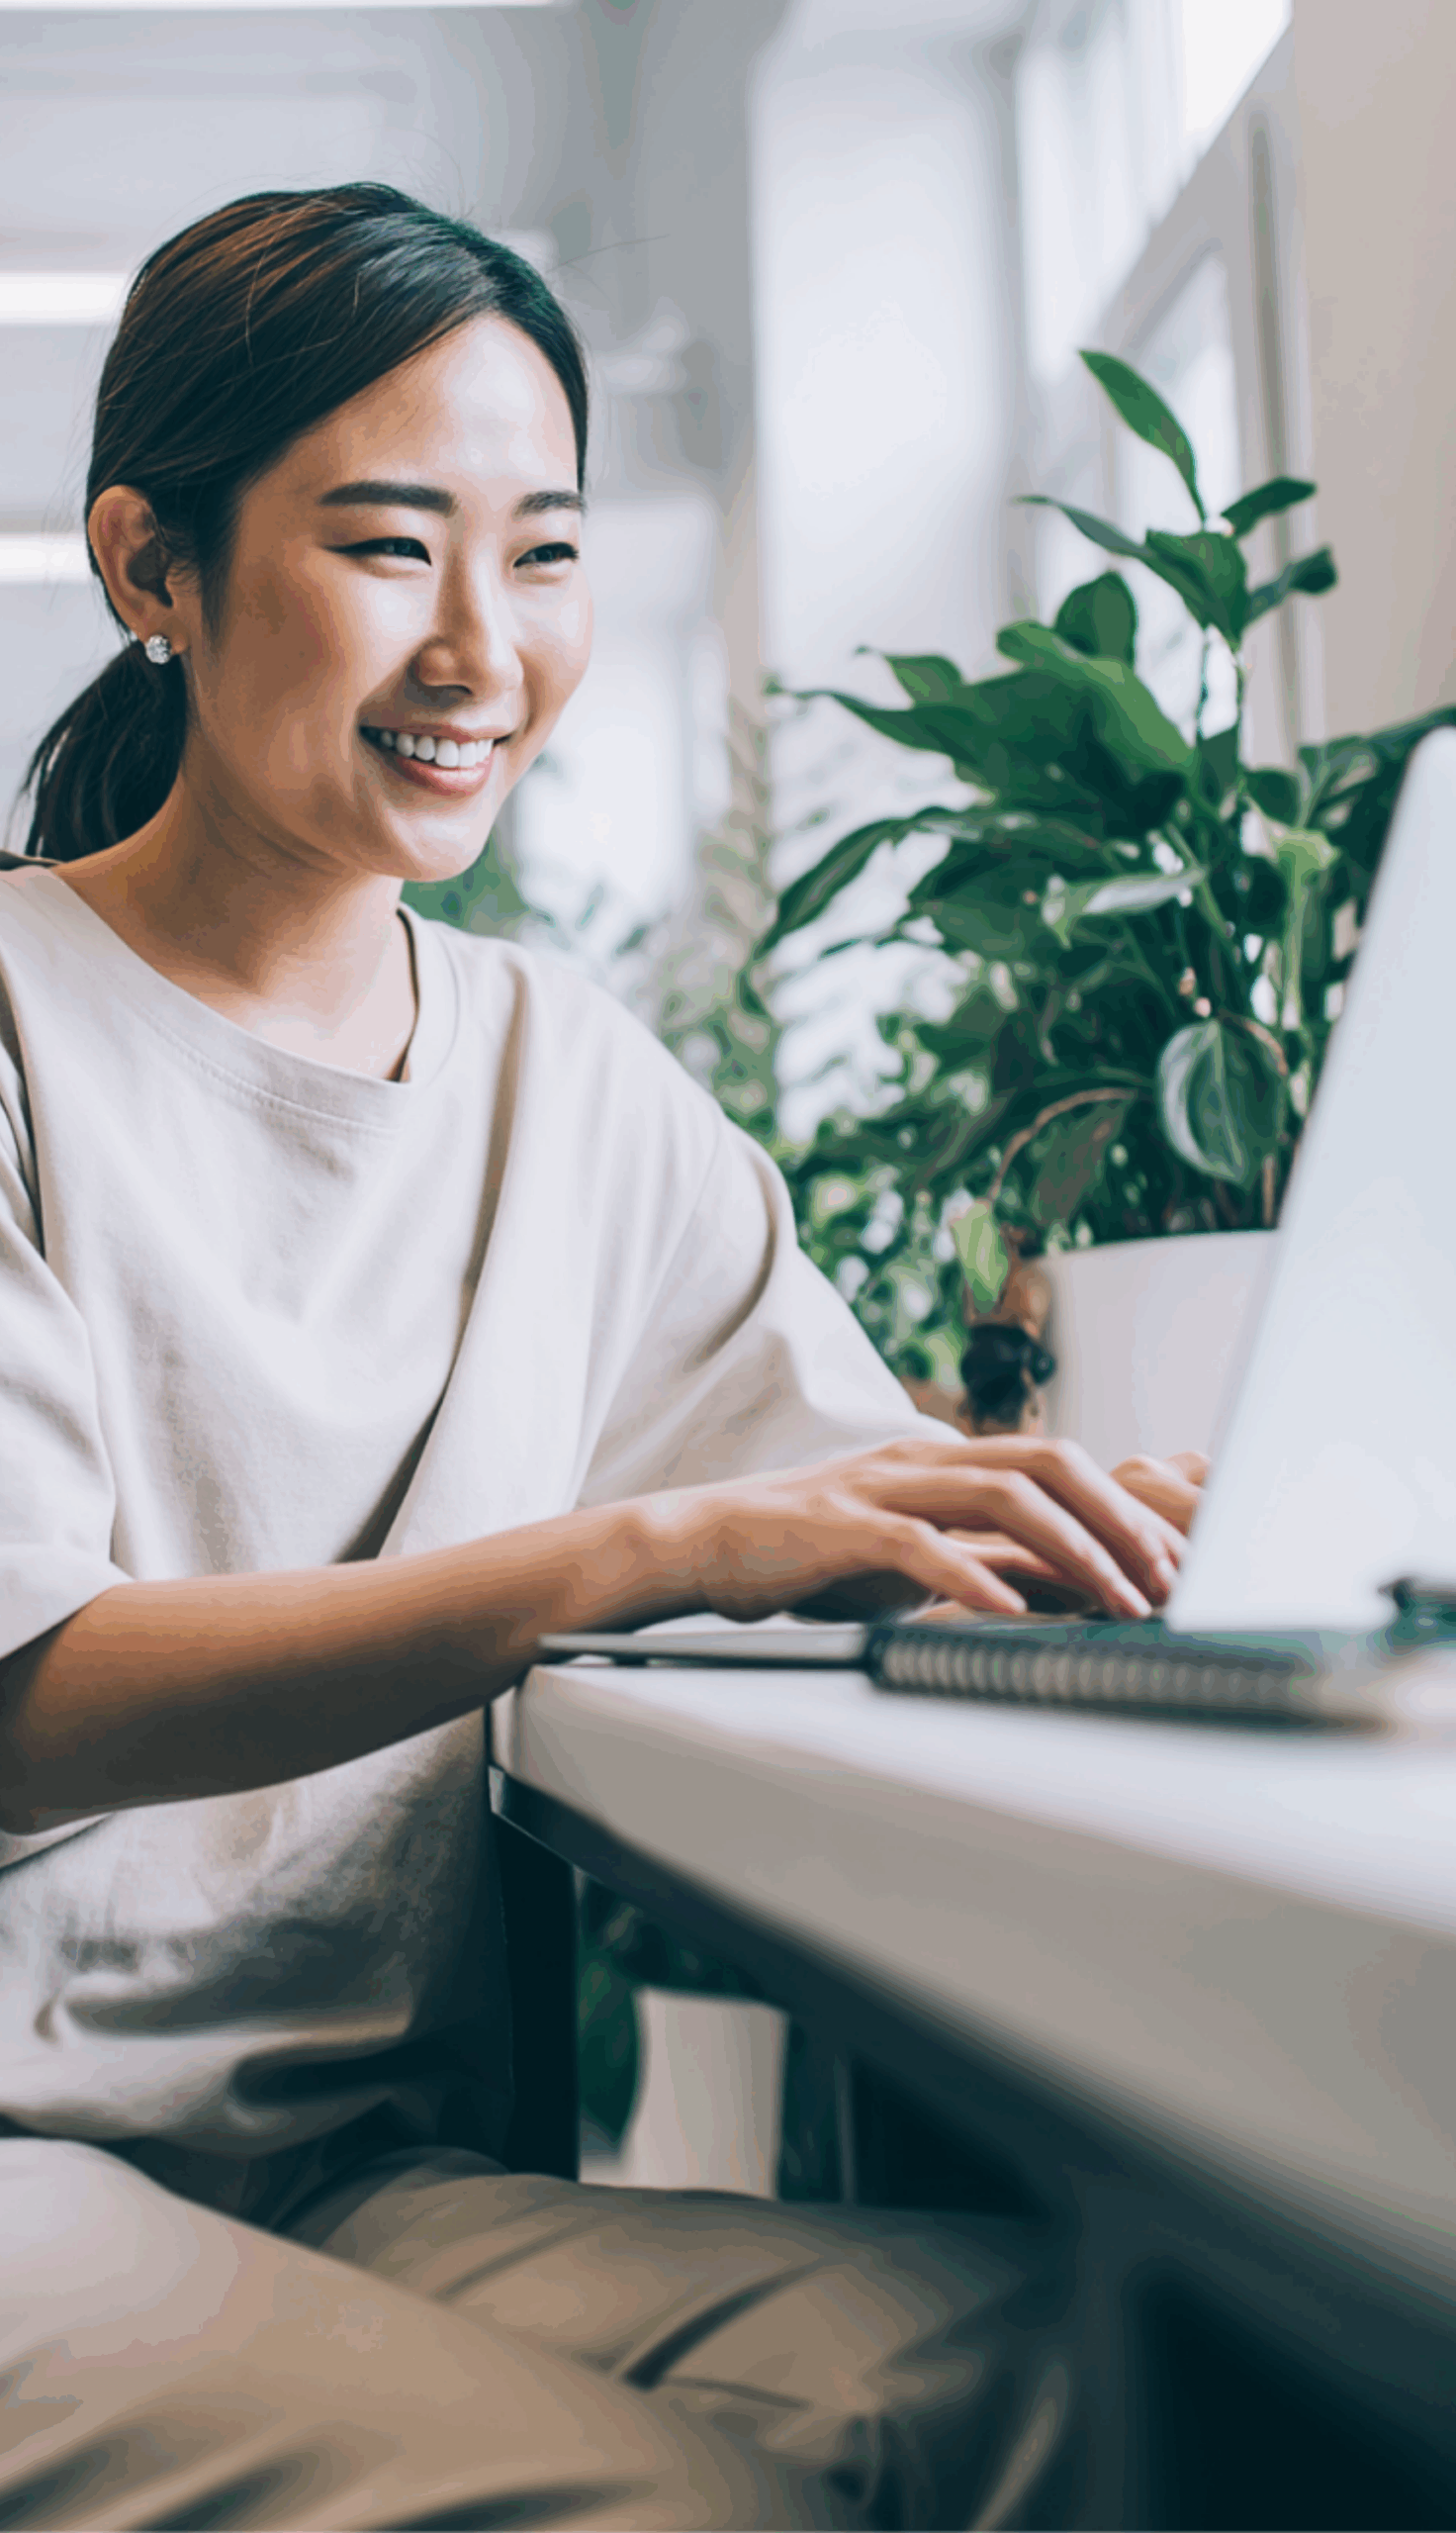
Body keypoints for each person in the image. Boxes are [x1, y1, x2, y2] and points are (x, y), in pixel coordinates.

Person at [0, 183, 1204, 2531]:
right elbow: (27, 1695)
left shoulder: (567, 1071)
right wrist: (632, 1547)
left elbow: (847, 1482)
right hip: (22, 2168)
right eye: (387, 546)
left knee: (1084, 2376)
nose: (484, 647)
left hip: (360, 2174)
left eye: (543, 552)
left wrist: (1147, 1516)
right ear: (152, 567)